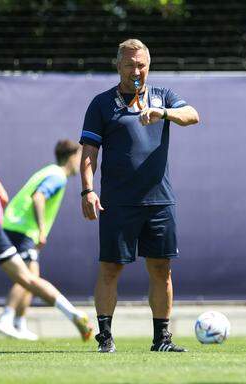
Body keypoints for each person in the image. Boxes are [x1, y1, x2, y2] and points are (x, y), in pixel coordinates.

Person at [79, 39, 200, 353]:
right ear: (118, 66)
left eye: (142, 65)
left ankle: (162, 340)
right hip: (118, 202)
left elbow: (192, 115)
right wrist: (88, 190)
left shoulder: (162, 97)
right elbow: (89, 152)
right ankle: (105, 338)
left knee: (161, 269)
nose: (137, 71)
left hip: (160, 200)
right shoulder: (101, 104)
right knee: (110, 268)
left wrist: (164, 113)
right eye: (130, 65)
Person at [0, 152, 93, 341]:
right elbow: (6, 197)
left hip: (8, 226)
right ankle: (70, 314)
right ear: (70, 157)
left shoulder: (51, 172)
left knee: (30, 275)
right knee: (28, 277)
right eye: (79, 156)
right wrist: (41, 230)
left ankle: (14, 320)